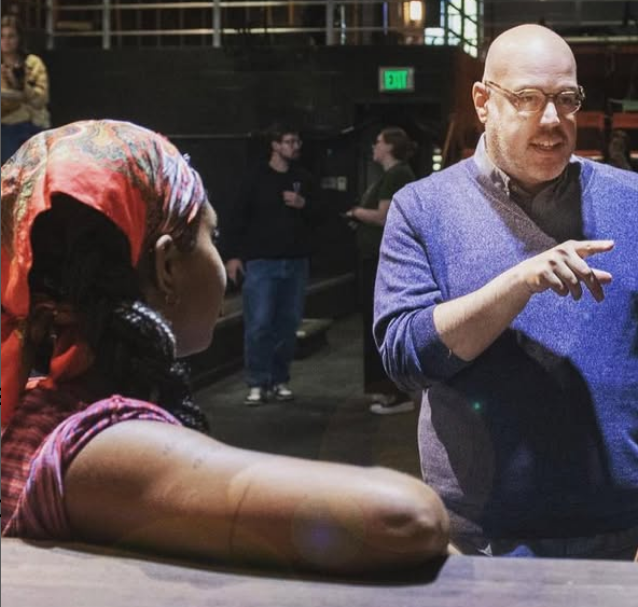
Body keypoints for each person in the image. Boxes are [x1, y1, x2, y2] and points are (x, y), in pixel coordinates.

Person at [1, 120, 449, 572]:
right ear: (167, 267)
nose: (217, 256)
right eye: (210, 237)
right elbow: (406, 519)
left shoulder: (25, 401)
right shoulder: (90, 444)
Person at [375, 24, 638, 559]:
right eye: (528, 100)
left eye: (566, 99)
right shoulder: (422, 208)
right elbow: (406, 359)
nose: (554, 120)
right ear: (483, 102)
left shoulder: (636, 201)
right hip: (484, 539)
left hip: (633, 530)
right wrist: (517, 283)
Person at [219, 124, 318, 406]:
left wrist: (304, 204)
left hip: (295, 261)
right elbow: (235, 217)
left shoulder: (303, 178)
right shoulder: (255, 179)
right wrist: (233, 256)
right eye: (289, 140)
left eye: (297, 140)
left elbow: (321, 215)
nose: (295, 146)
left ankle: (280, 379)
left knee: (287, 325)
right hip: (262, 262)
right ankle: (257, 381)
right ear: (275, 145)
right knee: (259, 324)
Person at [345, 126, 418, 416]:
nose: (374, 146)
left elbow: (383, 216)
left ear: (389, 147)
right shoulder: (391, 176)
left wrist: (355, 213)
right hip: (374, 258)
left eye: (377, 141)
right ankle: (389, 390)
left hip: (380, 261)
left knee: (382, 326)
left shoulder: (397, 175)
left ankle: (394, 392)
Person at [0, 16, 49, 163]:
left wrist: (19, 85)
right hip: (7, 127)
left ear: (19, 38)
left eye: (11, 36)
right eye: (2, 36)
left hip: (35, 124)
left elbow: (41, 99)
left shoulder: (33, 63)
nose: (6, 41)